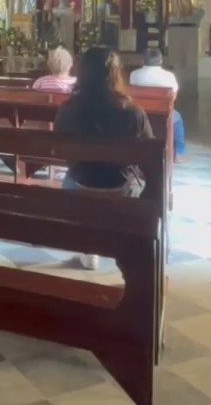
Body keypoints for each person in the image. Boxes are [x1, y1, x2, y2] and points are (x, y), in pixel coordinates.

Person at [55, 47, 153, 269]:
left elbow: (60, 151)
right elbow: (151, 155)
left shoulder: (68, 109)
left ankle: (88, 248)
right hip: (120, 187)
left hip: (78, 184)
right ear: (115, 74)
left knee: (73, 176)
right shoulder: (132, 111)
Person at [129, 48, 186, 159]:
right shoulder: (169, 76)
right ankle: (178, 153)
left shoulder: (134, 74)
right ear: (161, 61)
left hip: (138, 113)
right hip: (163, 114)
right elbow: (173, 97)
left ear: (142, 61)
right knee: (178, 118)